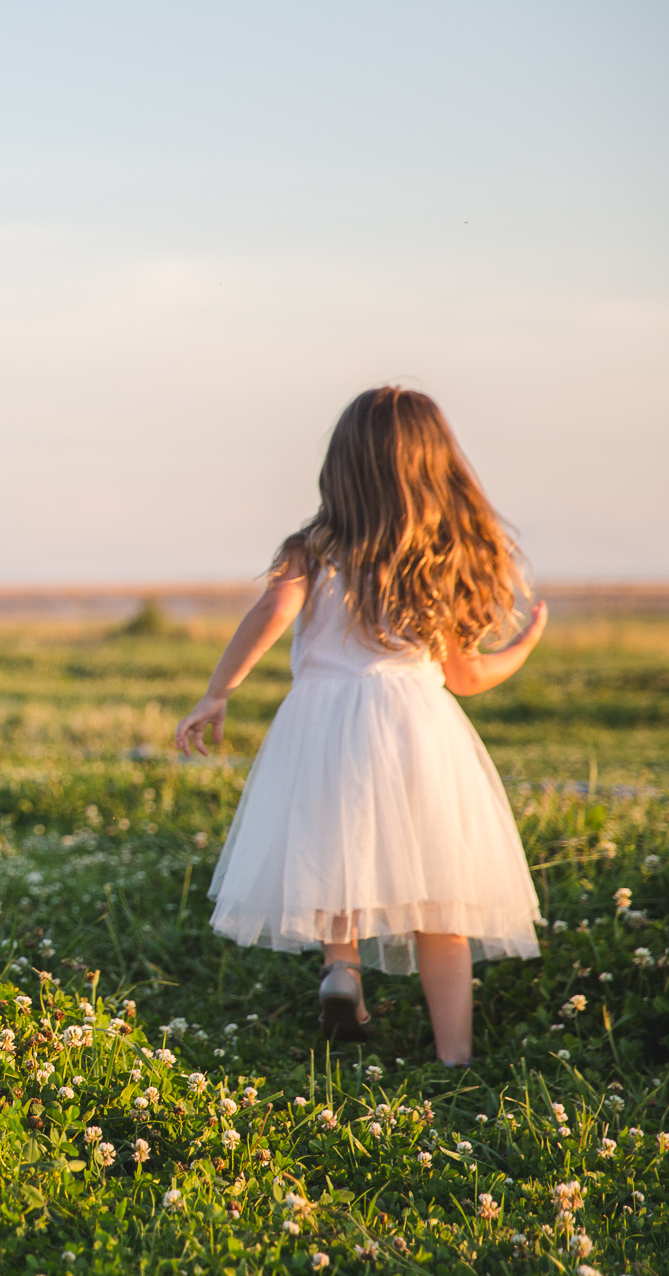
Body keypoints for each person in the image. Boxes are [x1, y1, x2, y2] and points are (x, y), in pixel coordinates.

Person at [175, 387, 546, 1066]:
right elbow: (465, 676)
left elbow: (270, 611)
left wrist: (218, 691)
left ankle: (342, 968)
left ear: (340, 464)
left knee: (336, 857)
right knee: (442, 895)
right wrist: (522, 648)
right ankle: (455, 1056)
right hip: (416, 727)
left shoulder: (313, 548)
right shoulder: (436, 558)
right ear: (438, 467)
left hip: (322, 721)